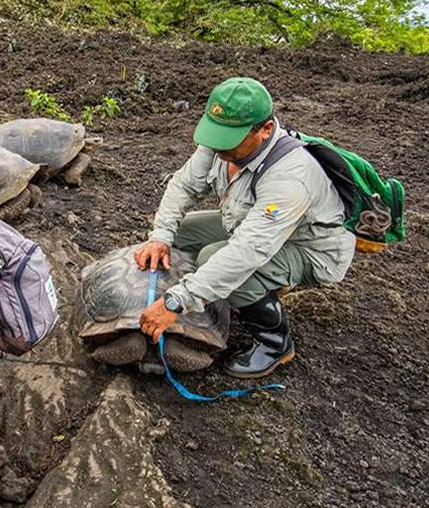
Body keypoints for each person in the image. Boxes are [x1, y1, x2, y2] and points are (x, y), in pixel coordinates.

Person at [135, 77, 356, 378]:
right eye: (216, 134)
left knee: (216, 258)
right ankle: (231, 292)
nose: (218, 146)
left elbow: (248, 251)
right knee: (182, 232)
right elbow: (184, 186)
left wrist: (177, 300)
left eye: (230, 140)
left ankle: (275, 342)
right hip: (247, 223)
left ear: (265, 130)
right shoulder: (218, 145)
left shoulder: (291, 177)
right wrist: (160, 235)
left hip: (309, 248)